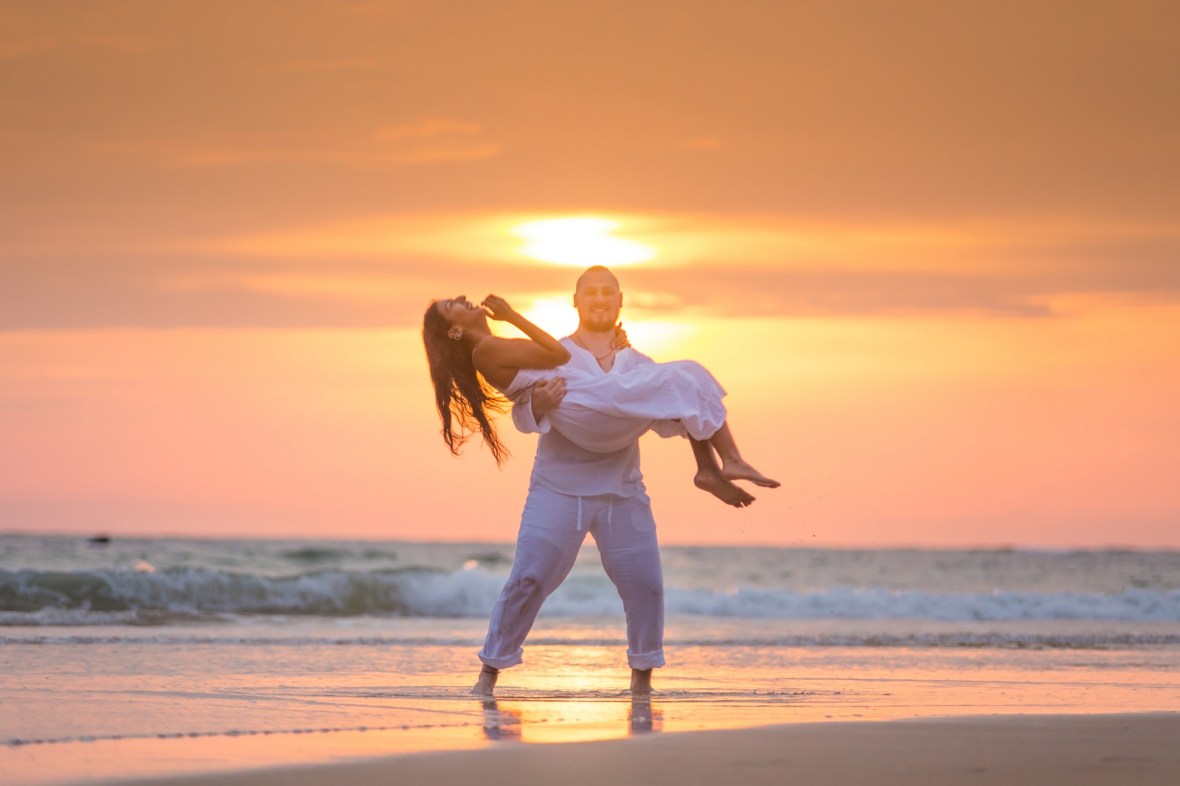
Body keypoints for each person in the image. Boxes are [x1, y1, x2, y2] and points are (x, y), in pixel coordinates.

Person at [421, 266, 777, 695]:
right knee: (528, 580)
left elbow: (678, 406)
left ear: (621, 302)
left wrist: (702, 459)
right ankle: (488, 674)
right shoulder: (544, 348)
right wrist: (534, 402)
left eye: (608, 292)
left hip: (621, 489)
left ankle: (642, 682)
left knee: (646, 586)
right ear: (576, 301)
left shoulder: (636, 362)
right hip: (558, 487)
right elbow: (520, 409)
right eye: (590, 292)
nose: (600, 299)